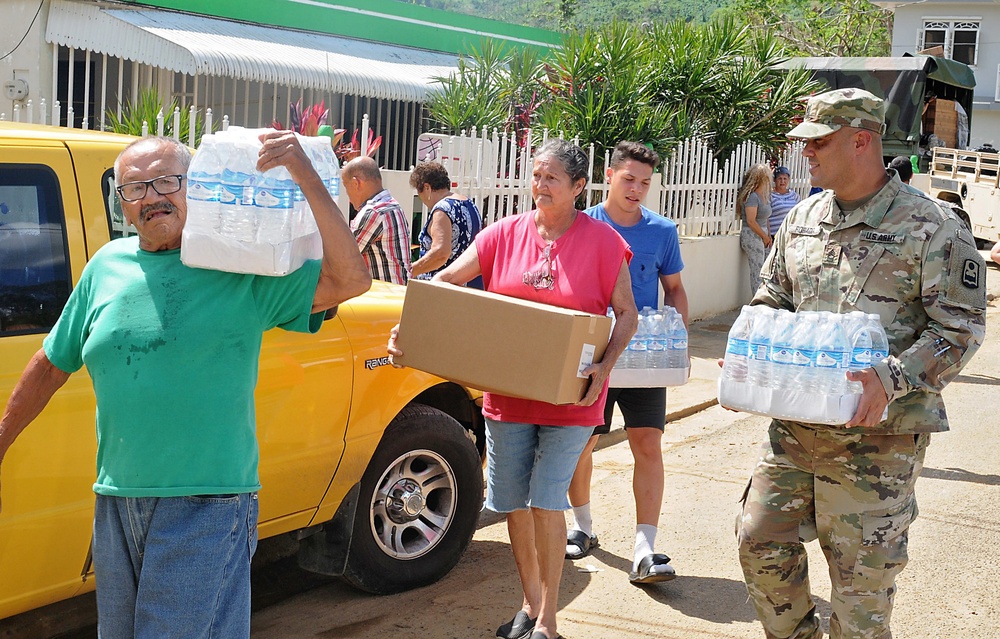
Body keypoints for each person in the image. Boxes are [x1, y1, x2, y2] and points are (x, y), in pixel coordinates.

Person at [0, 133, 371, 638]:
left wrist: (304, 175)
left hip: (208, 502)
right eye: (134, 189)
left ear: (197, 187)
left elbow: (351, 279)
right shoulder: (106, 267)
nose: (152, 197)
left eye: (167, 181)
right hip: (117, 498)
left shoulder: (237, 267)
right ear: (123, 207)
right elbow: (50, 363)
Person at [738, 88, 985, 639]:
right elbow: (772, 299)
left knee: (859, 586)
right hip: (795, 430)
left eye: (818, 142)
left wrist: (892, 376)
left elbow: (961, 329)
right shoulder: (801, 219)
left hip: (879, 437)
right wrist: (754, 339)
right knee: (758, 541)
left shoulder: (933, 226)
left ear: (861, 141)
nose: (806, 153)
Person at [389, 139, 637, 639]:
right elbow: (448, 283)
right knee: (512, 504)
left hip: (571, 399)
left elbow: (627, 313)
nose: (540, 186)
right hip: (508, 398)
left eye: (552, 179)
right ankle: (530, 601)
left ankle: (548, 621)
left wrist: (605, 367)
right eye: (536, 176)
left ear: (577, 187)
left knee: (547, 502)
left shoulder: (604, 242)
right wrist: (409, 330)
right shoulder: (503, 234)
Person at [565, 141, 687, 585]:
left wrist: (679, 340)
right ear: (610, 175)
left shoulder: (662, 231)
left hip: (644, 360)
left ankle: (645, 547)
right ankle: (582, 527)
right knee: (581, 446)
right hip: (593, 358)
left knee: (648, 446)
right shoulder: (583, 225)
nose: (636, 189)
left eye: (645, 183)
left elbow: (673, 290)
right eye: (629, 179)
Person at [408, 161, 483, 288]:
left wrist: (411, 270)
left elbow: (440, 254)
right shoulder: (469, 203)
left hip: (444, 289)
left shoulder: (442, 210)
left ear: (427, 188)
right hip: (470, 283)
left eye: (419, 192)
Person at [343, 156, 411, 284]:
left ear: (355, 183)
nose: (347, 196)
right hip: (398, 293)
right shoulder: (393, 206)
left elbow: (344, 258)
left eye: (346, 187)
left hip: (385, 298)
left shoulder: (374, 212)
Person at [737, 163, 773, 295]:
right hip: (752, 235)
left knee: (766, 270)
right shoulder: (752, 197)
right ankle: (757, 301)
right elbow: (751, 221)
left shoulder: (765, 196)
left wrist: (768, 236)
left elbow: (767, 218)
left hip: (763, 234)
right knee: (757, 271)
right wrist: (764, 236)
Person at [768, 166, 799, 236]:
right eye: (779, 179)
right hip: (775, 235)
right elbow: (765, 216)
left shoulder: (794, 195)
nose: (782, 181)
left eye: (785, 179)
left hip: (790, 235)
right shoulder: (769, 196)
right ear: (774, 180)